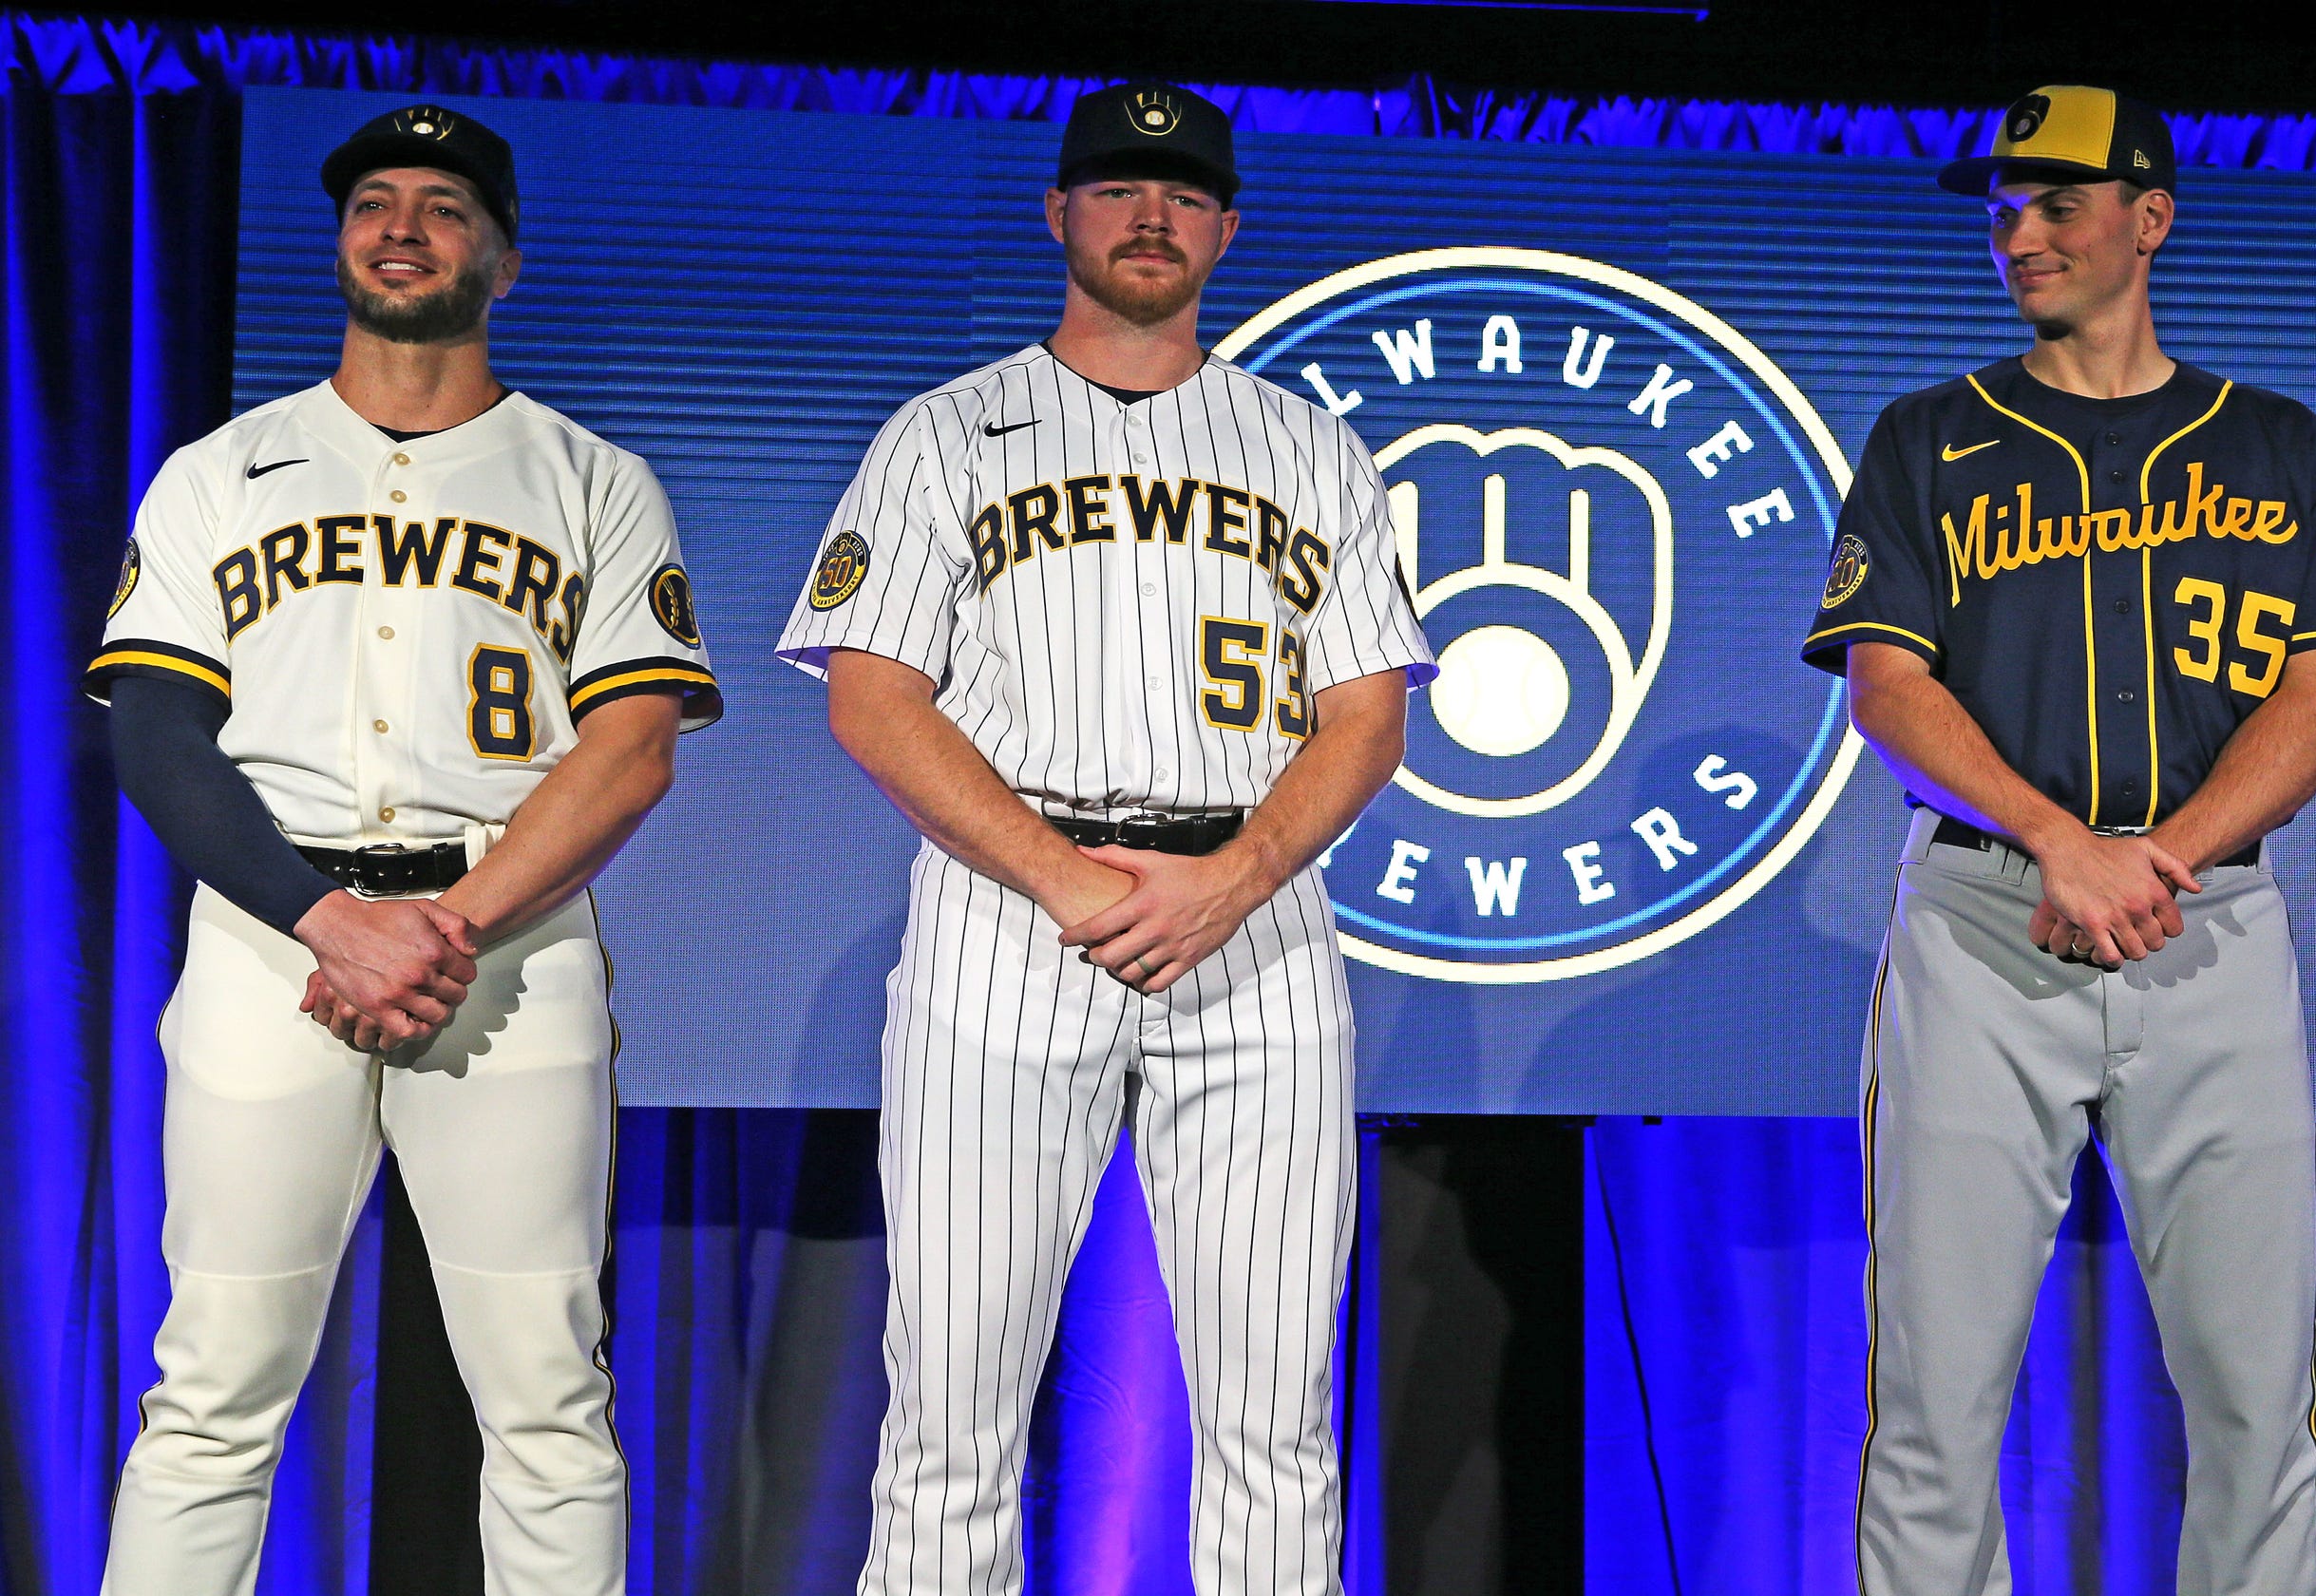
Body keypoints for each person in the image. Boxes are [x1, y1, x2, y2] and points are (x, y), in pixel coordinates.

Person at [775, 81, 1432, 1595]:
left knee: (1277, 1416)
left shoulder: (1308, 444)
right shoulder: (946, 432)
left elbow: (1367, 714)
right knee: (953, 1410)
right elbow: (874, 700)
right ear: (1057, 211)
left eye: (1187, 194)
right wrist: (1070, 880)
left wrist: (1236, 881)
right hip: (1013, 919)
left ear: (1227, 229)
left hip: (1252, 925)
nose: (1154, 215)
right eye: (1121, 189)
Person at [88, 104, 720, 1593]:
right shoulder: (217, 472)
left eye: (443, 205)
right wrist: (327, 917)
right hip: (272, 940)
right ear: (341, 243)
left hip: (502, 952)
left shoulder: (592, 481)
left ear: (502, 259)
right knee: (212, 1394)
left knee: (549, 1401)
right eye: (375, 200)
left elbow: (630, 751)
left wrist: (440, 925)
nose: (402, 226)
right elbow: (157, 736)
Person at [1800, 85, 2316, 1594]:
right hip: (1988, 926)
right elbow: (1886, 685)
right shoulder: (1930, 436)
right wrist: (2064, 840)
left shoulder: (2271, 438)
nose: (2021, 231)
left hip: (2212, 930)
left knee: (2260, 1397)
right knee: (1934, 1401)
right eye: (2002, 204)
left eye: (2059, 200)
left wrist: (2159, 853)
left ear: (2150, 217)